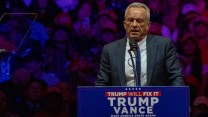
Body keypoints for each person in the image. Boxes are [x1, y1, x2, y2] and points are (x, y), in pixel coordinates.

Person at [96, 2, 184, 86]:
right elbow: (102, 83)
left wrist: (177, 98)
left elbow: (176, 78)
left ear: (148, 25)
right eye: (130, 20)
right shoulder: (110, 50)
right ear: (124, 25)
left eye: (139, 21)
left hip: (155, 100)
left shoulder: (164, 46)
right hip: (121, 100)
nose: (134, 25)